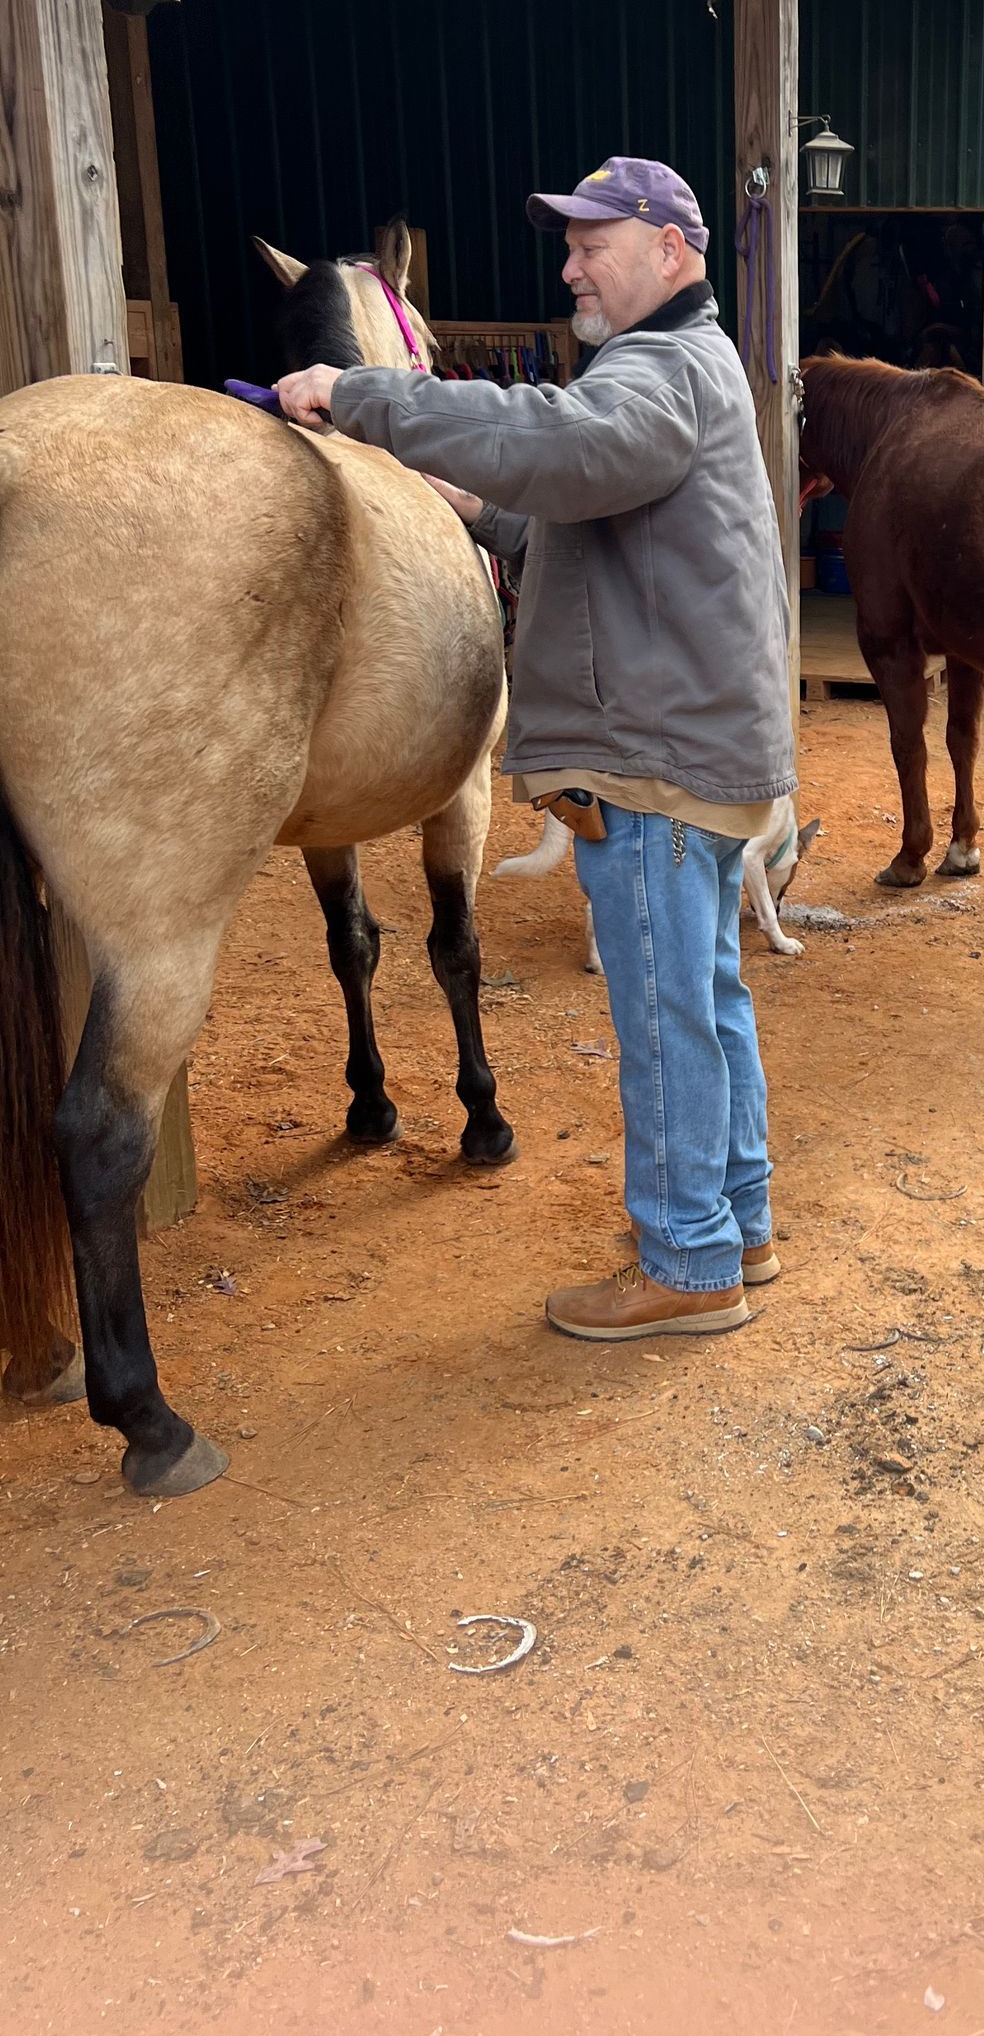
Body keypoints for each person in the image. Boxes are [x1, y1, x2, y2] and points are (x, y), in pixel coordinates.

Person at [275, 157, 795, 1338]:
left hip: (651, 757)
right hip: (691, 746)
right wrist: (484, 513)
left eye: (590, 243)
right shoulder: (685, 370)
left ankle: (686, 1264)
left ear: (670, 250)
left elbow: (563, 446)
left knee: (664, 1015)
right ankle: (738, 1221)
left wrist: (366, 394)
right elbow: (596, 513)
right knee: (706, 996)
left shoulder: (655, 372)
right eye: (567, 244)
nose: (568, 266)